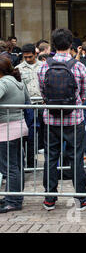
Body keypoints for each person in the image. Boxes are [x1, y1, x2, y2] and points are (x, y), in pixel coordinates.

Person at [38, 28, 86, 211]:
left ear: (53, 45)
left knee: (51, 158)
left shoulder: (44, 66)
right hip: (74, 119)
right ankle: (81, 198)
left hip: (51, 119)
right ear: (71, 45)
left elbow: (42, 91)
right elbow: (85, 94)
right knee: (76, 158)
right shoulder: (78, 66)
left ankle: (50, 198)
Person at [0, 56, 30, 213]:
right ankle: (15, 197)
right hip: (19, 126)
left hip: (6, 130)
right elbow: (28, 100)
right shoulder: (17, 81)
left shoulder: (4, 82)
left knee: (10, 167)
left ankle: (13, 201)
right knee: (17, 165)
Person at [15, 44, 44, 168]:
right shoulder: (18, 69)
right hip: (28, 107)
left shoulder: (43, 66)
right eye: (25, 57)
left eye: (30, 57)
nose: (27, 59)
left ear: (35, 54)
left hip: (42, 104)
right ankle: (30, 162)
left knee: (45, 133)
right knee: (30, 135)